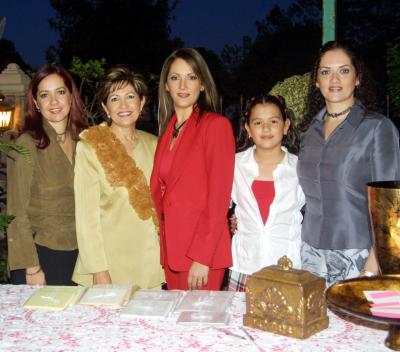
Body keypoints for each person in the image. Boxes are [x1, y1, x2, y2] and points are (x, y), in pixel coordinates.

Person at [298, 41, 400, 286]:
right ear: (316, 81)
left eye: (344, 70)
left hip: (359, 255)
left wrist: (375, 262)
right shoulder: (308, 132)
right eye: (325, 72)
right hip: (309, 254)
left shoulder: (377, 128)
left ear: (357, 78)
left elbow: (392, 204)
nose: (334, 78)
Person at [150, 48, 235, 290]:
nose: (183, 85)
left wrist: (202, 257)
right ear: (166, 85)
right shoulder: (167, 132)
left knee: (199, 326)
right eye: (175, 77)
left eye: (192, 77)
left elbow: (218, 199)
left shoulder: (216, 127)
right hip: (173, 252)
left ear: (203, 85)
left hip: (201, 255)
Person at [72, 65, 164, 288]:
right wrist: (98, 270)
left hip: (150, 263)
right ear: (105, 106)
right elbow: (86, 218)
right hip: (109, 265)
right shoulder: (91, 146)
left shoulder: (156, 144)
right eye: (115, 98)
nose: (124, 105)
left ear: (142, 103)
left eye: (130, 96)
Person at [7, 64, 87, 285]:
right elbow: (16, 213)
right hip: (42, 254)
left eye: (60, 92)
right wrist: (32, 268)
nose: (54, 102)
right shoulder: (26, 144)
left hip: (80, 254)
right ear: (35, 103)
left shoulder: (86, 142)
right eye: (45, 95)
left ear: (71, 96)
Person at [227, 95, 305, 292]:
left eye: (273, 121)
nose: (266, 128)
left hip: (288, 267)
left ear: (286, 125)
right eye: (258, 122)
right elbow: (217, 206)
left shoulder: (301, 168)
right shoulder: (234, 165)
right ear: (248, 128)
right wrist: (230, 220)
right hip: (244, 266)